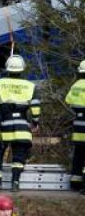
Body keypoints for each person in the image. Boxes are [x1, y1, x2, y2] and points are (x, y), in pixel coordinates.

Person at [0, 55, 40, 192]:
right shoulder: (30, 86)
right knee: (19, 156)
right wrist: (35, 122)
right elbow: (35, 107)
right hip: (22, 127)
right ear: (22, 69)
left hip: (3, 127)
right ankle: (15, 183)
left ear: (7, 68)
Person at [65, 60, 85, 194]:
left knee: (79, 155)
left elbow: (69, 101)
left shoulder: (76, 85)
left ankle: (75, 183)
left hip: (79, 127)